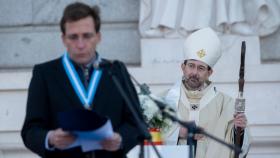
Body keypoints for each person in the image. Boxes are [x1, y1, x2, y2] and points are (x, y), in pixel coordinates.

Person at [21, 2, 142, 158]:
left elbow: (137, 123)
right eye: (73, 37)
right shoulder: (44, 74)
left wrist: (121, 139)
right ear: (64, 39)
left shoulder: (116, 71)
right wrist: (50, 138)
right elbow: (30, 130)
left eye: (87, 35)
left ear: (98, 37)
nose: (80, 44)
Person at [163, 27, 251, 158]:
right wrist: (178, 133)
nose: (194, 73)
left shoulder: (226, 104)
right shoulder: (163, 99)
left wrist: (240, 130)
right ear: (183, 67)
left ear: (209, 73)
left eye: (201, 68)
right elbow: (145, 137)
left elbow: (239, 148)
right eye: (191, 66)